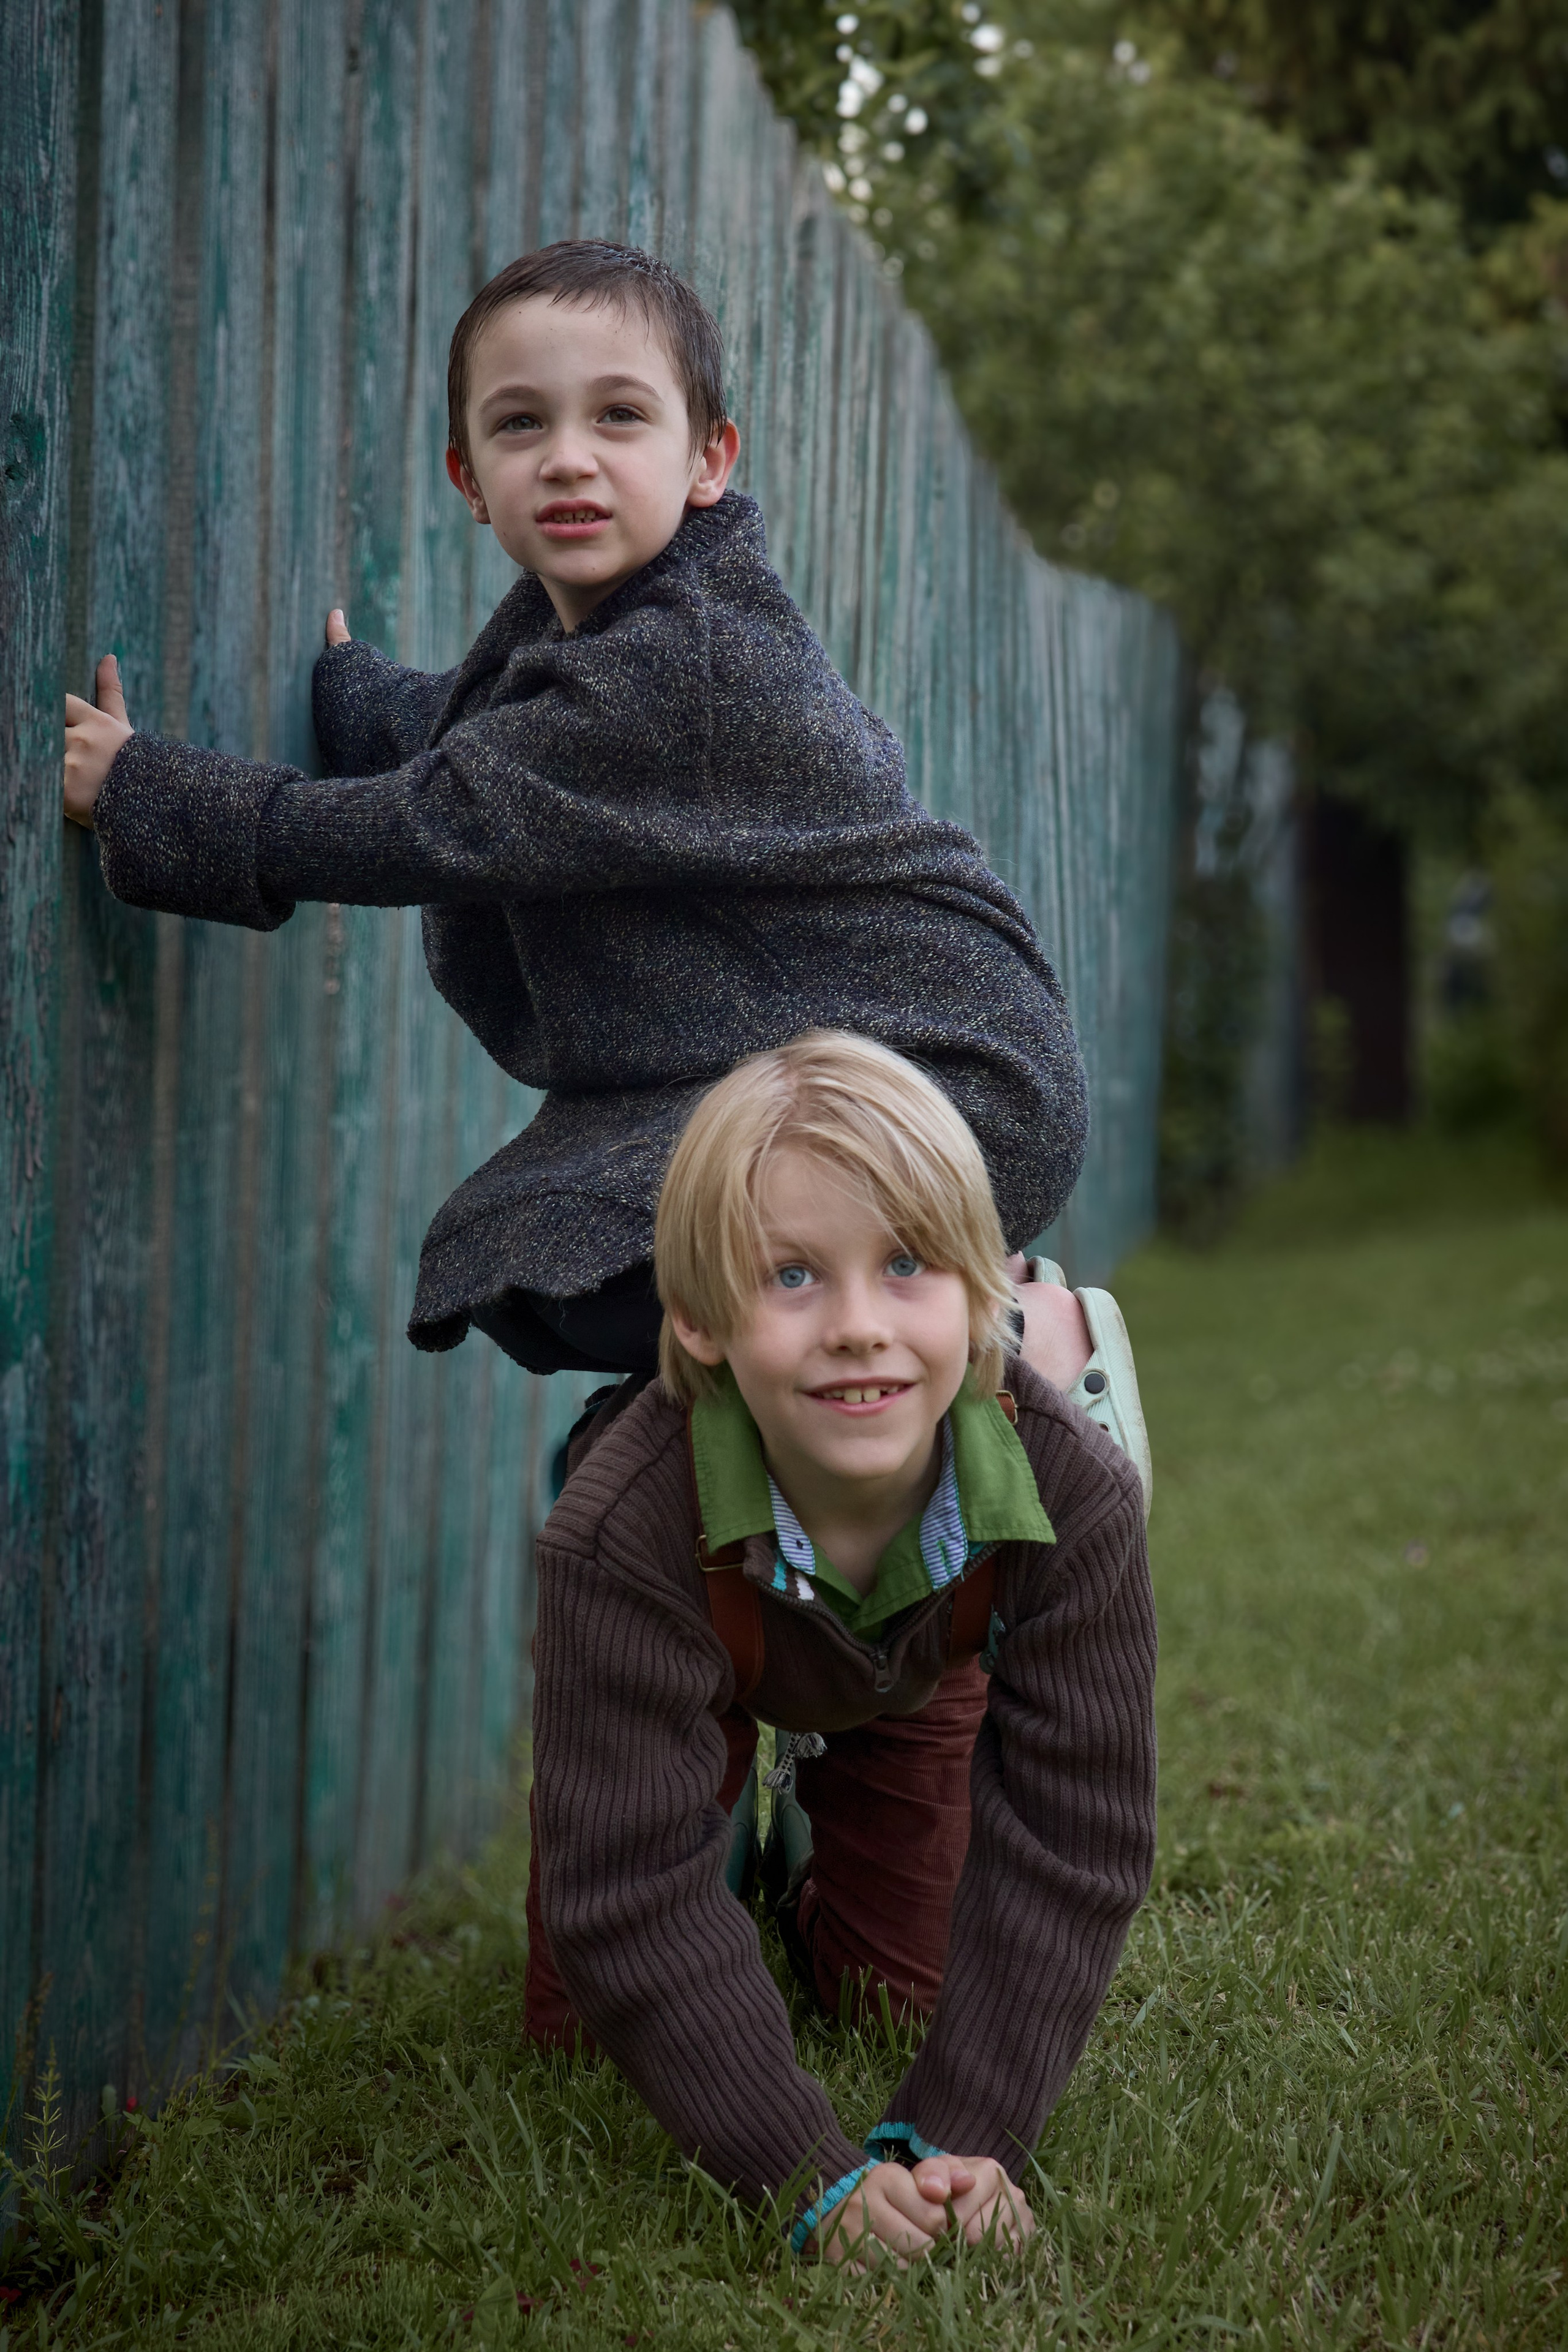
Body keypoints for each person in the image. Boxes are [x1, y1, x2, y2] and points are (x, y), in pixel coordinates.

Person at [61, 238, 1104, 1401]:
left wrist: (145, 791)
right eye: (521, 426)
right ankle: (875, 1358)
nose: (569, 459)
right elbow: (507, 748)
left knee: (580, 1275)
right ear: (468, 478)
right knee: (567, 1276)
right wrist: (363, 697)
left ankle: (1019, 1361)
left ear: (708, 459)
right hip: (849, 1068)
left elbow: (454, 817)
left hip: (951, 1089)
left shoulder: (685, 657)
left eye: (618, 417)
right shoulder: (612, 634)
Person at [529, 1031, 1156, 2264]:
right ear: (701, 1320)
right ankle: (725, 1820)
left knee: (902, 1997)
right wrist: (803, 2179)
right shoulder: (611, 1537)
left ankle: (811, 1843)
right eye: (791, 1277)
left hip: (913, 1654)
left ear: (985, 1297)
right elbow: (622, 1892)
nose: (859, 1327)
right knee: (592, 2030)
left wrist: (951, 2139)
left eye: (907, 1266)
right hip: (703, 1638)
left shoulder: (1069, 1497)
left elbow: (1073, 1834)